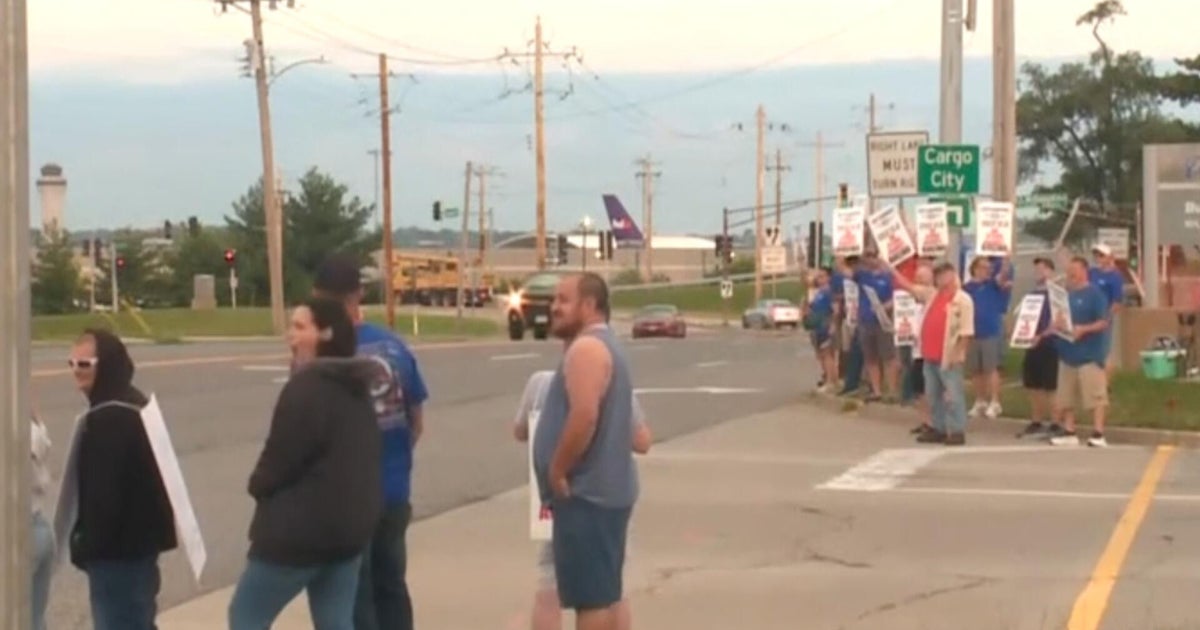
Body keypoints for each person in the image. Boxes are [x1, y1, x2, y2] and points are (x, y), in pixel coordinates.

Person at [228, 297, 383, 630]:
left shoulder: (305, 389)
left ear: (325, 334)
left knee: (246, 616)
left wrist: (257, 485)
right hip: (349, 534)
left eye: (299, 327)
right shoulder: (359, 388)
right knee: (336, 622)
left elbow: (280, 457)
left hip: (297, 537)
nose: (290, 336)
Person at [312, 253, 429, 630]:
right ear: (359, 294)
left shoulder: (322, 354)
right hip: (393, 491)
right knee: (391, 586)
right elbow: (415, 420)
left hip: (347, 497)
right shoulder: (394, 348)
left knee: (353, 594)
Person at [532, 272, 637, 630]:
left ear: (589, 305)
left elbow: (584, 416)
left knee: (590, 602)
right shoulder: (605, 346)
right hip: (604, 495)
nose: (554, 307)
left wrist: (557, 470)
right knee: (603, 596)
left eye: (563, 300)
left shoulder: (587, 349)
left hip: (587, 496)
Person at [514, 370, 651, 630]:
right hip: (603, 492)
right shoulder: (615, 384)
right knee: (613, 581)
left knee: (549, 578)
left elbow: (520, 430)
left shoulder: (540, 383)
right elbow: (642, 440)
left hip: (552, 493)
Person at [67, 328, 176, 630]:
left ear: (107, 364)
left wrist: (85, 546)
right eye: (72, 363)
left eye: (85, 364)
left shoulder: (109, 418)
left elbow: (105, 498)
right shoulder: (134, 403)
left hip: (117, 558)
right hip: (140, 551)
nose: (76, 371)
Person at [891, 262, 975, 445]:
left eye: (944, 274)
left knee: (953, 394)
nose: (940, 278)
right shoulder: (932, 295)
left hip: (948, 355)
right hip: (929, 354)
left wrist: (959, 353)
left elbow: (966, 331)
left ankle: (957, 430)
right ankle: (938, 428)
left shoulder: (962, 300)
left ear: (952, 275)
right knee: (932, 394)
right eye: (937, 275)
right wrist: (891, 269)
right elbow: (910, 287)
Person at [1049, 257, 1111, 448]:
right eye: (1069, 271)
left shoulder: (1095, 294)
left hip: (1089, 354)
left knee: (1095, 395)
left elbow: (1103, 322)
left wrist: (1083, 329)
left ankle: (1098, 432)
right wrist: (1056, 326)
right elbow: (1059, 320)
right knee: (1066, 395)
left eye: (1075, 270)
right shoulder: (1065, 295)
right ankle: (1069, 431)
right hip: (1068, 353)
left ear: (1084, 271)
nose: (1071, 274)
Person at [962, 256, 1012, 420]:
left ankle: (995, 402)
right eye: (983, 267)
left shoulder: (993, 285)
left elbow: (1003, 276)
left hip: (991, 331)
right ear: (975, 269)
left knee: (991, 368)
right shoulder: (966, 288)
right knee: (976, 370)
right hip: (973, 332)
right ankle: (980, 400)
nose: (987, 271)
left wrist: (1005, 262)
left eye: (989, 268)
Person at [1017, 258, 1062, 438]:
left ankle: (1056, 422)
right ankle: (1036, 420)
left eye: (1043, 269)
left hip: (1050, 344)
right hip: (1032, 345)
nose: (1039, 272)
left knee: (1051, 386)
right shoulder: (1031, 295)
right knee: (1033, 385)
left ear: (1051, 271)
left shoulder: (1057, 294)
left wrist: (1041, 336)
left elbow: (1058, 321)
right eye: (1036, 269)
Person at [847, 250, 899, 402]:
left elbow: (895, 298)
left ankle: (892, 391)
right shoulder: (862, 275)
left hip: (883, 322)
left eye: (873, 256)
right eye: (867, 256)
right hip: (866, 321)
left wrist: (884, 307)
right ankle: (877, 391)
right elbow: (846, 271)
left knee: (889, 357)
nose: (870, 259)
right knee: (871, 358)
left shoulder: (888, 276)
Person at [31, 406, 55, 630]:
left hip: (17, 534)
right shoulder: (30, 422)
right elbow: (43, 442)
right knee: (34, 619)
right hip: (39, 527)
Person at [1088, 244, 1124, 378]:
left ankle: (1105, 382)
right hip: (1089, 315)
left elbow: (1116, 302)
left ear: (1110, 257)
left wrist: (1106, 318)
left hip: (1103, 316)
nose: (1098, 258)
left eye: (1101, 255)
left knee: (1103, 350)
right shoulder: (1091, 272)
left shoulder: (1115, 276)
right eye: (1096, 255)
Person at [804, 267, 837, 392]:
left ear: (829, 277)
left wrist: (833, 324)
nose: (820, 279)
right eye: (819, 276)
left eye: (823, 276)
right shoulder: (819, 292)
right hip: (817, 326)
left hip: (825, 325)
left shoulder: (829, 292)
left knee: (828, 354)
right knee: (821, 355)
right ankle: (825, 377)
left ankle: (831, 381)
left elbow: (835, 309)